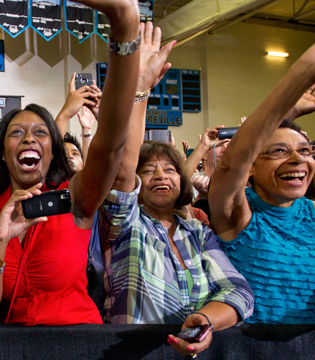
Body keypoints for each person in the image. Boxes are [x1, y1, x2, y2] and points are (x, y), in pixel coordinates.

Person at [0, 0, 141, 326]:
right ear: (1, 150)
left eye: (41, 133)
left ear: (52, 150)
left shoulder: (75, 198)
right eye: (17, 132)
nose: (29, 139)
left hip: (79, 343)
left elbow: (111, 146)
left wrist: (125, 26)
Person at [97, 22, 254, 358]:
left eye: (170, 169)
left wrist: (206, 320)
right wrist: (140, 90)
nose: (159, 176)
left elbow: (238, 290)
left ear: (183, 181)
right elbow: (123, 169)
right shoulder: (124, 226)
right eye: (148, 170)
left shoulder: (197, 231)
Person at [208, 40, 315, 324]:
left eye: (305, 151)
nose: (297, 159)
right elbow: (232, 163)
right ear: (251, 168)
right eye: (279, 151)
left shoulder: (312, 214)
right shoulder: (238, 214)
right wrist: (303, 75)